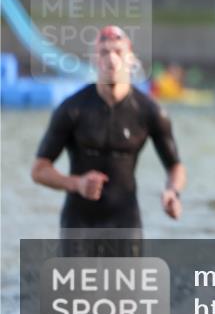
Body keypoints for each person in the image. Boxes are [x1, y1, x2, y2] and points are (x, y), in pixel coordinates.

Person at [30, 26, 186, 255]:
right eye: (104, 52)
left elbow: (175, 166)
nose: (111, 60)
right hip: (79, 223)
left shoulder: (150, 112)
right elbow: (39, 170)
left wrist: (172, 192)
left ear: (131, 59)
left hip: (125, 221)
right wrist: (77, 183)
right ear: (94, 60)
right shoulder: (72, 109)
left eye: (118, 52)